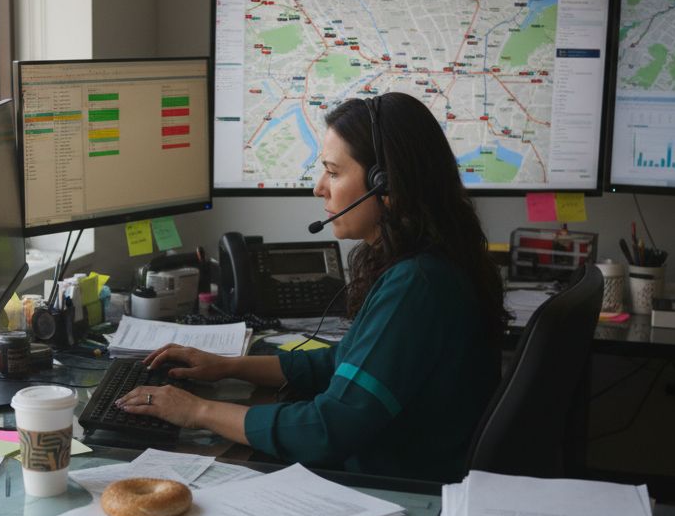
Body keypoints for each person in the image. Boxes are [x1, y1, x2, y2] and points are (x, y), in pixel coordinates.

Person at [116, 92, 507, 481]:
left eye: (334, 173)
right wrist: (228, 367)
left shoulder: (418, 283)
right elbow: (344, 363)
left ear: (385, 185)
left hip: (397, 488)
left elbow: (327, 429)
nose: (319, 187)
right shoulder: (432, 262)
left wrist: (195, 411)